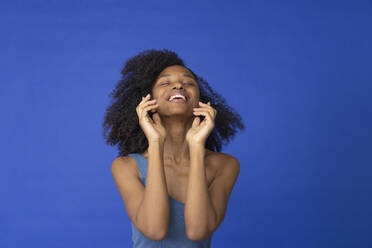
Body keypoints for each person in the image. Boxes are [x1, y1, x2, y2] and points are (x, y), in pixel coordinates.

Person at [102, 49, 245, 247]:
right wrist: (155, 143)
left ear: (200, 102)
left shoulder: (225, 165)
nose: (178, 85)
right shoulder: (126, 166)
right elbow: (155, 230)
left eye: (188, 83)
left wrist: (196, 147)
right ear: (147, 100)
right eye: (165, 83)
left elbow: (197, 231)